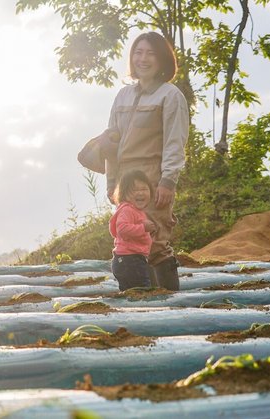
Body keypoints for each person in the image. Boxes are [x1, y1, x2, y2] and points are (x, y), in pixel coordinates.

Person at [103, 32, 189, 290]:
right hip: (125, 179)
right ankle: (141, 305)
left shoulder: (169, 95)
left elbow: (175, 142)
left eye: (150, 53)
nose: (143, 58)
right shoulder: (123, 96)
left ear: (162, 59)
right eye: (138, 52)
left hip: (152, 177)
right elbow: (111, 142)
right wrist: (111, 181)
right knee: (129, 243)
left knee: (155, 241)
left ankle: (169, 307)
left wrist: (168, 181)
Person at [110, 170, 157, 290]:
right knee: (142, 290)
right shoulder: (127, 210)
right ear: (124, 194)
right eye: (135, 190)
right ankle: (143, 308)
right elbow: (122, 229)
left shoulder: (134, 210)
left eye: (144, 189)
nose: (140, 193)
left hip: (128, 260)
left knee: (131, 292)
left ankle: (131, 308)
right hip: (130, 260)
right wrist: (143, 228)